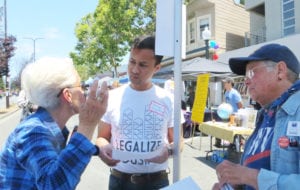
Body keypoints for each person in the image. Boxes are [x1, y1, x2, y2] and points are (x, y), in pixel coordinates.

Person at [0, 57, 108, 189]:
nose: (84, 92)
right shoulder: (33, 132)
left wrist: (97, 150)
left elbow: (55, 163)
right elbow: (54, 185)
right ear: (68, 95)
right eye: (81, 86)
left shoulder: (44, 127)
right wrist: (87, 127)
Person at [212, 43, 300, 190]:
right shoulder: (265, 114)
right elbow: (254, 168)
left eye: (252, 72)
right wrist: (235, 182)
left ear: (280, 71)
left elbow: (253, 175)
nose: (246, 81)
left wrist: (249, 176)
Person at [96, 35, 175, 190]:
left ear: (156, 68)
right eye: (132, 61)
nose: (134, 70)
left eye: (143, 65)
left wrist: (169, 151)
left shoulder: (168, 99)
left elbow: (178, 142)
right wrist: (103, 149)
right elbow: (101, 138)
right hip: (120, 181)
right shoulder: (111, 97)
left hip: (156, 182)